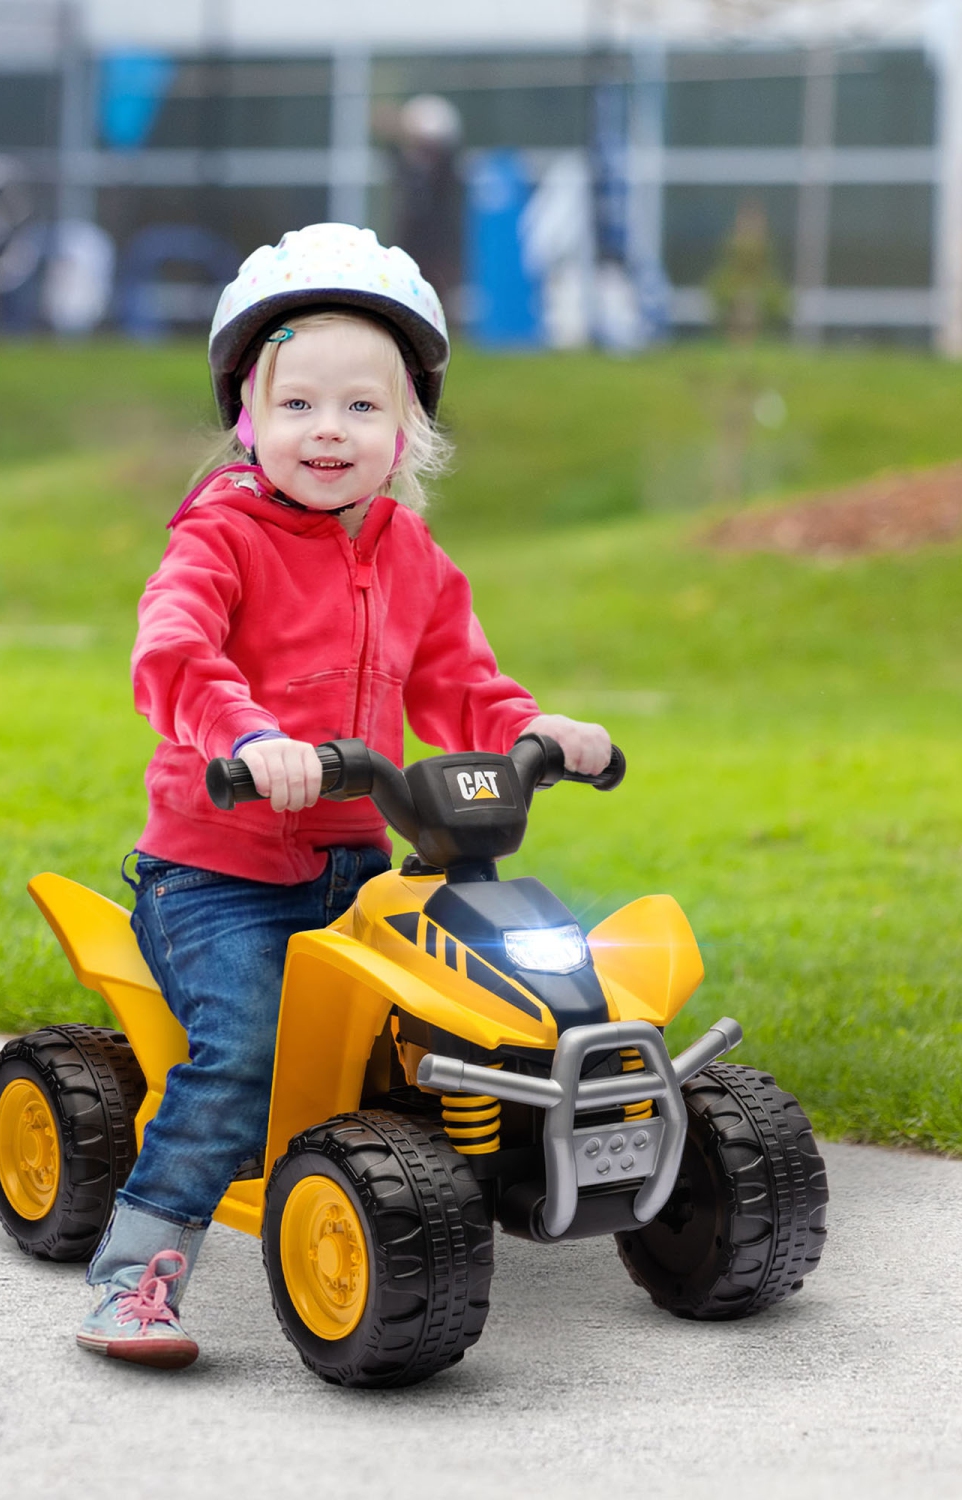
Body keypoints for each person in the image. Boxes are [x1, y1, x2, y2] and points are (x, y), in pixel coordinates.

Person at [77, 223, 611, 1369]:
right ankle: (136, 1271)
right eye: (300, 405)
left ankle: (454, 1188)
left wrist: (534, 734)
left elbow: (461, 681)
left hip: (356, 859)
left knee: (458, 1017)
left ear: (410, 426)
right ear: (248, 419)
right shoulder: (219, 537)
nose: (330, 430)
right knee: (246, 1051)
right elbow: (173, 653)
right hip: (217, 873)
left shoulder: (410, 553)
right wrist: (250, 735)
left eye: (364, 408)